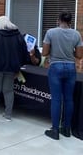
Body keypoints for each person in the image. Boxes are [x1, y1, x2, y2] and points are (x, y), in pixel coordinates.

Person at [42, 11, 83, 140]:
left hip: (56, 67)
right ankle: (66, 129)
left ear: (58, 20)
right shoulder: (76, 34)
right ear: (70, 21)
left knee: (56, 99)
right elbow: (79, 55)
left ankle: (54, 130)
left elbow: (44, 52)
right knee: (69, 99)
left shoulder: (51, 32)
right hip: (71, 67)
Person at [0, 16, 28, 121]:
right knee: (8, 91)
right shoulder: (18, 36)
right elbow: (24, 53)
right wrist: (19, 66)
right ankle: (8, 114)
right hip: (12, 68)